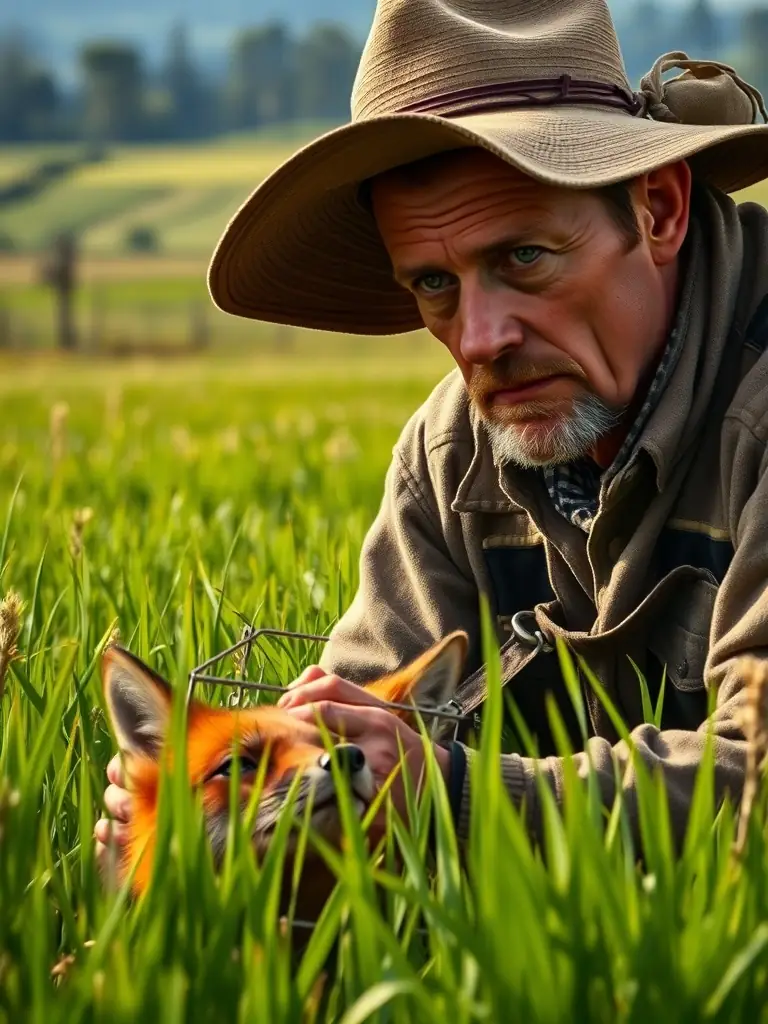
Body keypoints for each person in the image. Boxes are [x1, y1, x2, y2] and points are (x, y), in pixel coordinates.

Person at [96, 0, 768, 864]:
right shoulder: (451, 458)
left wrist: (460, 793)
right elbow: (366, 718)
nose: (481, 340)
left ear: (659, 212)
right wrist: (205, 800)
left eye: (522, 258)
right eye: (433, 284)